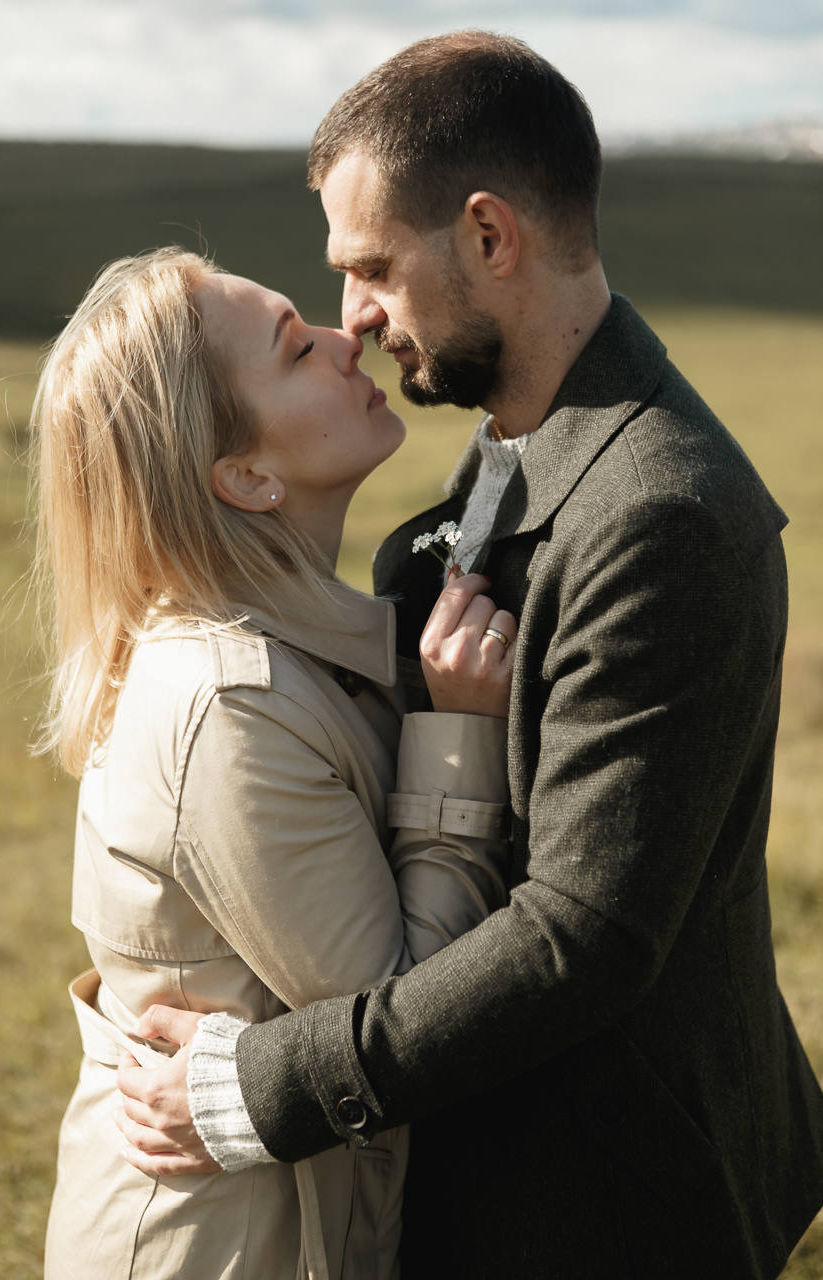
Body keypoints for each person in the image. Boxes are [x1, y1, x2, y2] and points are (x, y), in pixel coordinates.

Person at [116, 32, 823, 1279]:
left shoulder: (663, 515)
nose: (353, 318)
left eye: (373, 266)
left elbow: (580, 935)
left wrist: (252, 1089)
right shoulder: (504, 454)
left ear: (491, 237)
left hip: (612, 1200)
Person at [36, 246, 520, 1279]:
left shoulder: (292, 646)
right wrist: (460, 733)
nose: (353, 341)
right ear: (245, 474)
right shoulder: (227, 706)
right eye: (299, 347)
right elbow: (407, 1014)